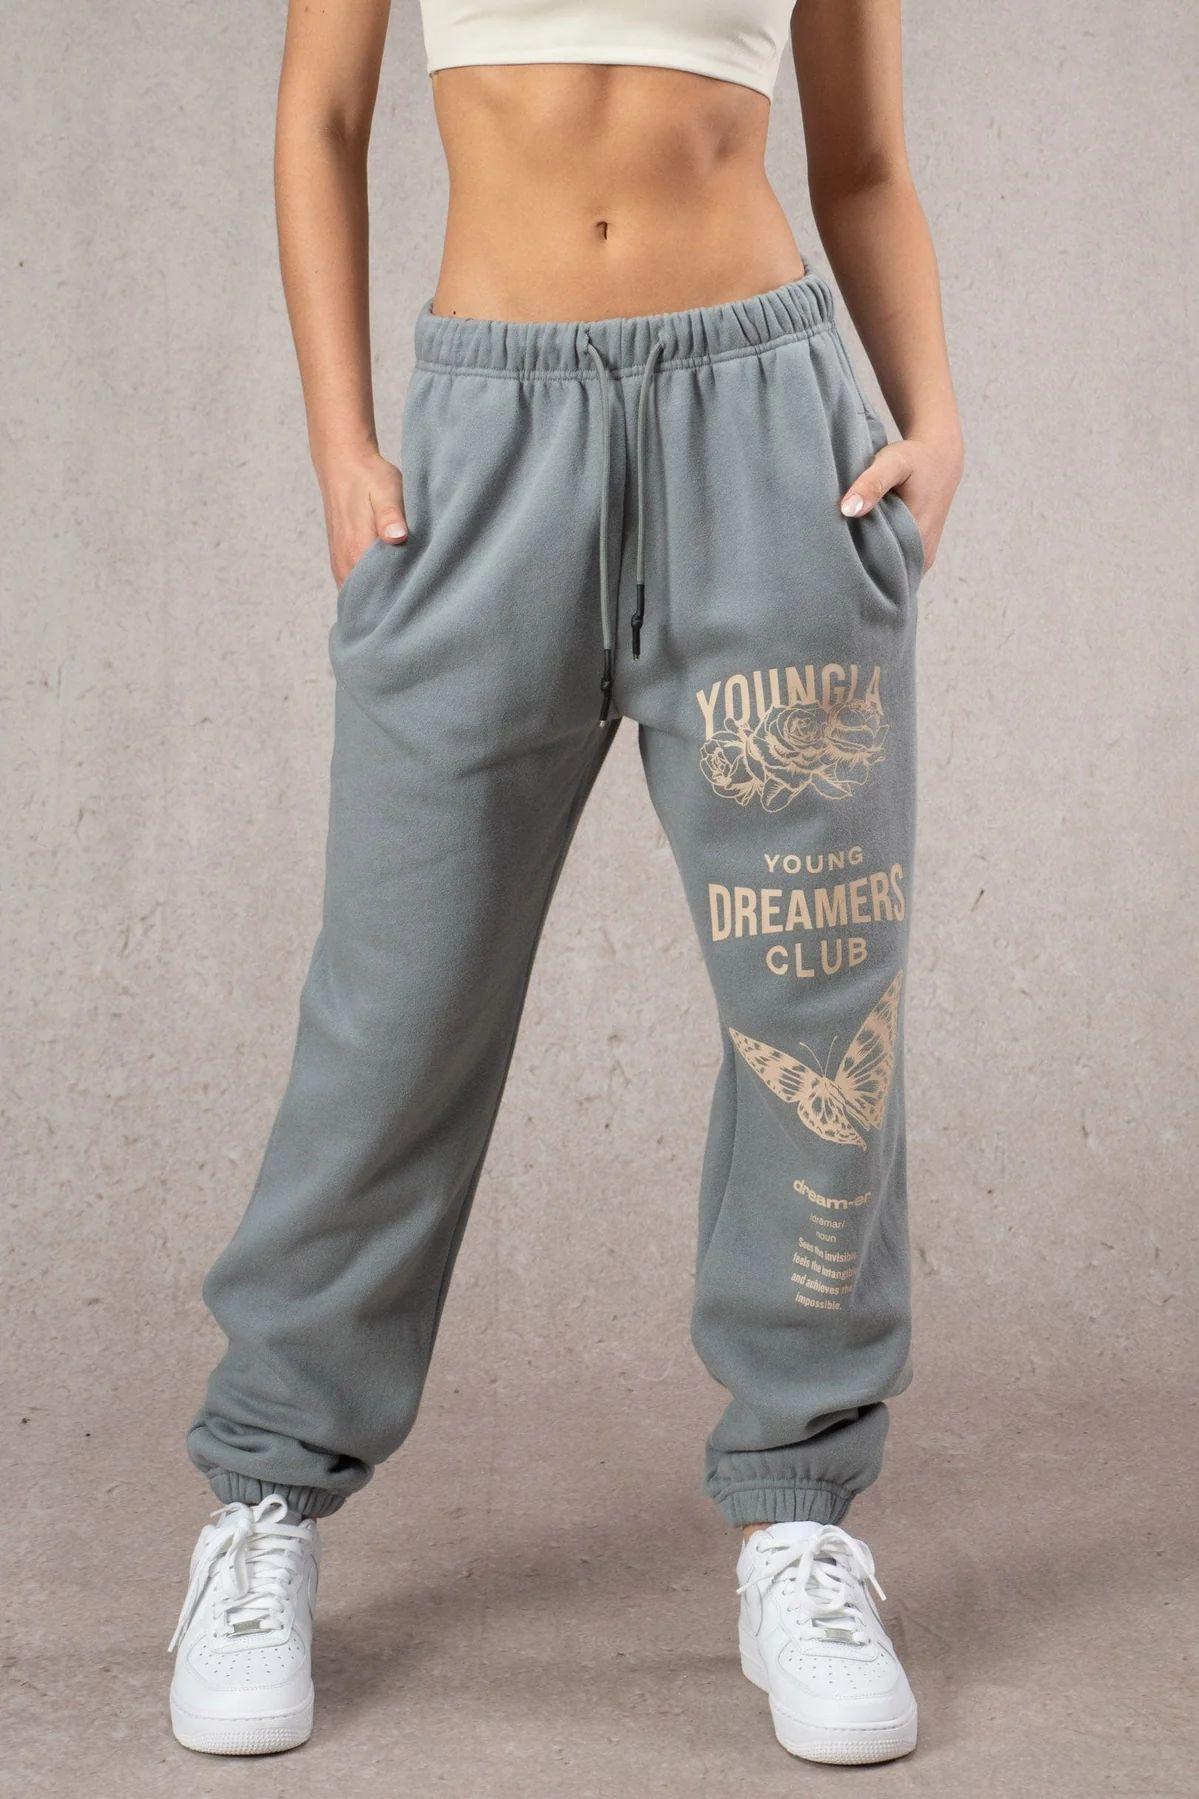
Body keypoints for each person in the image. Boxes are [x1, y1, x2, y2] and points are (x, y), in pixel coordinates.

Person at [168, 0, 963, 1766]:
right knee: (397, 1008)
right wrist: (341, 443)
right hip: (489, 437)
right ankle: (266, 1498)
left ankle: (802, 1519)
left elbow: (863, 160)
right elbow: (319, 116)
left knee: (814, 1018)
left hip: (769, 437)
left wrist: (937, 423)